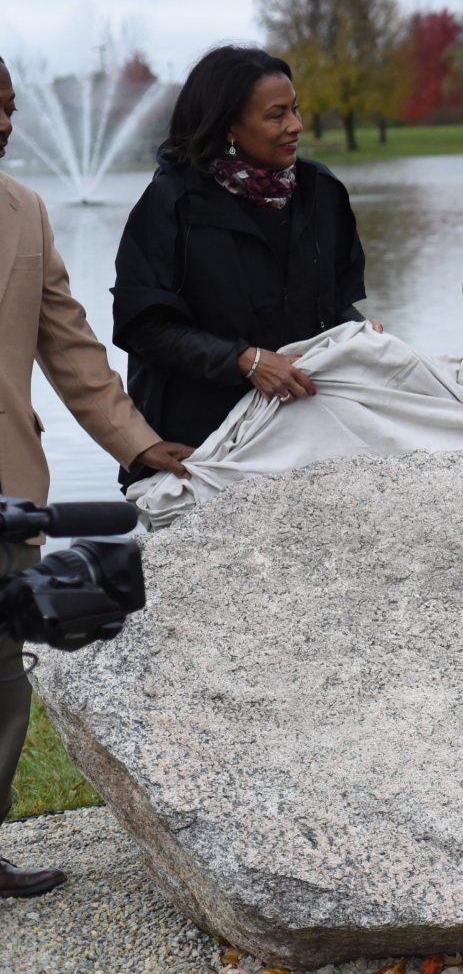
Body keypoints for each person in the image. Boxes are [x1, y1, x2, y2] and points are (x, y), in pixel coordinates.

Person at [0, 54, 192, 898]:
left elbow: (73, 351)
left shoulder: (26, 212)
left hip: (7, 490)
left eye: (9, 108)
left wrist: (143, 446)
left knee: (4, 685)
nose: (6, 125)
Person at [113, 47, 373, 470]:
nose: (296, 126)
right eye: (277, 115)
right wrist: (245, 360)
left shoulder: (320, 192)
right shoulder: (172, 202)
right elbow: (143, 326)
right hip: (198, 441)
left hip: (306, 431)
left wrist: (359, 332)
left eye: (296, 109)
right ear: (229, 124)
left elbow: (332, 304)